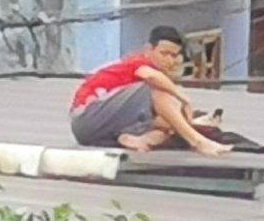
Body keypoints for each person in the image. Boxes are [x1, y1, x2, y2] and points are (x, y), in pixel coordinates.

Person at [68, 26, 232, 155]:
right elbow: (152, 77)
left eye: (174, 56)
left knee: (170, 125)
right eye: (164, 53)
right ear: (148, 50)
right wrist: (184, 98)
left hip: (99, 135)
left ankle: (137, 139)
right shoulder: (138, 62)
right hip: (86, 116)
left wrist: (193, 122)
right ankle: (198, 142)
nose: (169, 60)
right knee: (159, 89)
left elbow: (168, 118)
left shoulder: (145, 98)